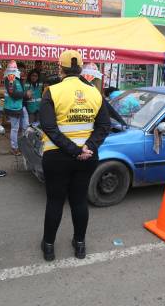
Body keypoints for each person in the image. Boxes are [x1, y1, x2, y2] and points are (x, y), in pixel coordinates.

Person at [39, 50, 111, 261]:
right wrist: (87, 146)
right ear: (80, 69)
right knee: (79, 201)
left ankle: (49, 247)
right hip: (87, 157)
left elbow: (49, 128)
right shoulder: (94, 93)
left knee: (55, 201)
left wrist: (74, 150)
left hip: (56, 157)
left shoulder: (51, 92)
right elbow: (104, 125)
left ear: (60, 68)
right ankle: (80, 245)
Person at [3, 61, 27, 156]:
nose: (20, 71)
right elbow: (13, 93)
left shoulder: (15, 78)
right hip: (13, 108)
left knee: (24, 126)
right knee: (15, 129)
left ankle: (19, 145)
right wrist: (25, 95)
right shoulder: (11, 78)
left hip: (18, 107)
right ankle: (14, 148)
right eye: (18, 69)